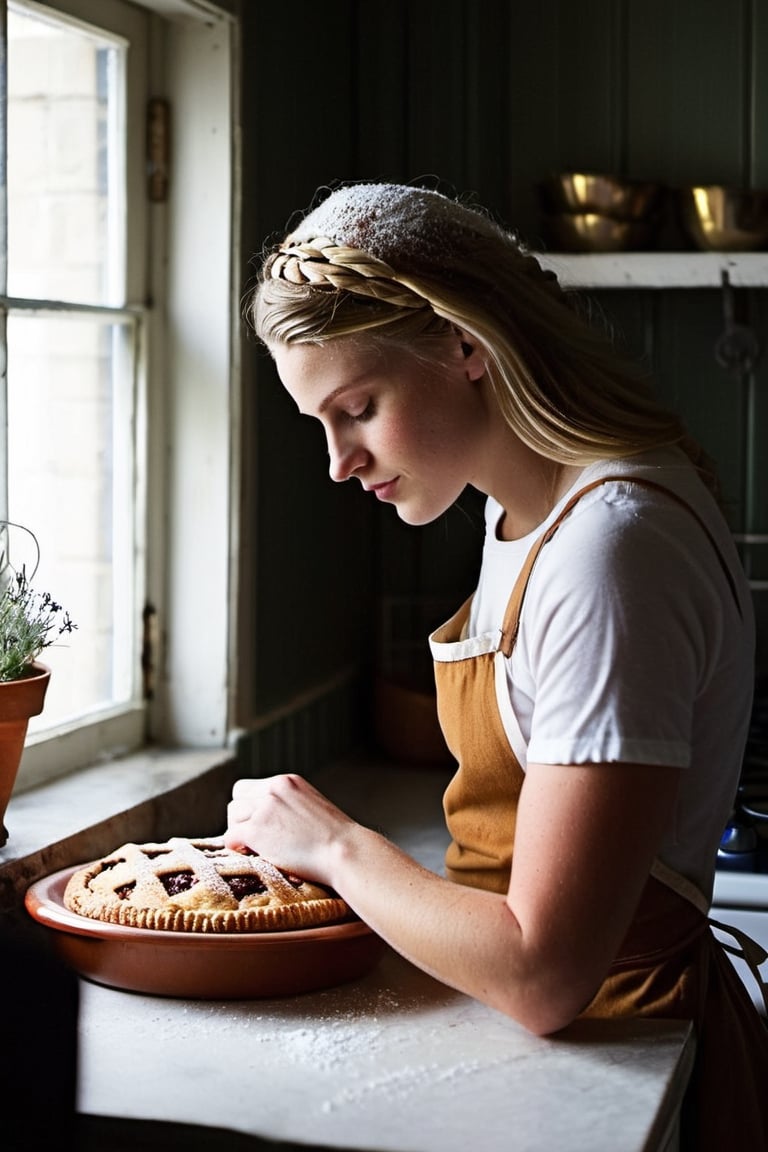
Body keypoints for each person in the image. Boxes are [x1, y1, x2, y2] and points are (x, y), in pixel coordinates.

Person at [226, 181, 768, 1148]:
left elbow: (544, 972)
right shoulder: (523, 501)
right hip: (538, 1052)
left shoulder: (612, 550)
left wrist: (337, 847)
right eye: (321, 423)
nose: (338, 462)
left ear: (465, 344)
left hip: (615, 1052)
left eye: (357, 407)